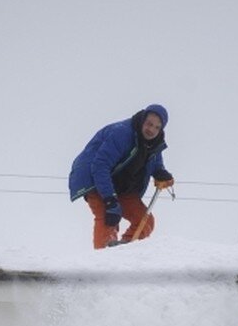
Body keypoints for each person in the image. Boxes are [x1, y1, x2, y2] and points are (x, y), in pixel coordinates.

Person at [69, 104, 175, 249]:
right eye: (149, 124)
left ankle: (123, 253)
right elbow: (100, 165)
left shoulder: (154, 144)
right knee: (109, 218)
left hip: (123, 186)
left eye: (157, 127)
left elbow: (155, 162)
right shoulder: (122, 133)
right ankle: (103, 259)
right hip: (95, 179)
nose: (151, 130)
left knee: (144, 221)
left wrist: (160, 172)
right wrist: (109, 199)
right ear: (143, 120)